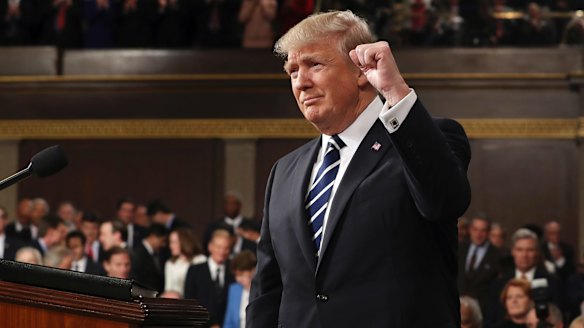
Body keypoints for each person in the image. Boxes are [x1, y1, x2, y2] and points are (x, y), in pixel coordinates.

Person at [246, 10, 471, 328]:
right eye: (292, 70)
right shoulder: (284, 171)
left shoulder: (427, 139)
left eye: (315, 64)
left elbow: (445, 201)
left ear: (362, 71)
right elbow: (267, 290)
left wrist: (395, 93)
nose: (301, 82)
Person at [184, 229, 234, 328]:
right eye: (219, 247)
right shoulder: (195, 271)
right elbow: (190, 303)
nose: (222, 252)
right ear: (210, 247)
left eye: (226, 248)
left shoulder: (233, 272)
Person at [458, 215, 502, 313]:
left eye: (483, 230)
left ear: (489, 232)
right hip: (456, 308)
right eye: (475, 229)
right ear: (470, 230)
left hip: (483, 310)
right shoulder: (459, 249)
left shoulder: (498, 255)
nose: (478, 234)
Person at [163, 227, 206, 297]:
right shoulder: (170, 263)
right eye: (170, 242)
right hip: (176, 302)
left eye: (174, 242)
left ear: (184, 242)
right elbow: (168, 289)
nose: (170, 246)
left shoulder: (200, 260)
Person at [223, 250, 257, 328]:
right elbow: (228, 322)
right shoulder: (234, 289)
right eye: (236, 275)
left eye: (241, 274)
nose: (238, 279)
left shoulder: (262, 290)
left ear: (253, 270)